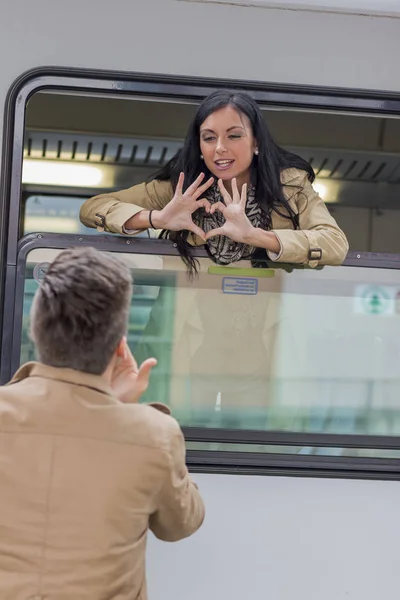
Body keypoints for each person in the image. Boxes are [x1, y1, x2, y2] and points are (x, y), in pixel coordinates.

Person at [0, 247, 205, 600]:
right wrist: (115, 405)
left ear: (35, 329)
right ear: (119, 347)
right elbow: (182, 523)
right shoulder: (153, 435)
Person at [80, 90, 349, 273]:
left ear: (256, 142)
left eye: (233, 136)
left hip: (264, 332)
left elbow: (335, 244)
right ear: (199, 146)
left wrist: (255, 235)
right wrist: (155, 219)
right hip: (184, 331)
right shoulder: (182, 188)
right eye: (209, 138)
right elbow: (92, 208)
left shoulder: (290, 185)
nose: (219, 147)